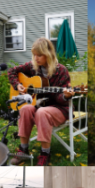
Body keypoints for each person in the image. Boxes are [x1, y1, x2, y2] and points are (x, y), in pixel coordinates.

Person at [7, 38, 77, 166]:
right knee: (25, 109)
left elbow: (60, 100)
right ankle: (23, 149)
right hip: (39, 106)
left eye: (40, 55)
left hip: (59, 109)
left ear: (48, 54)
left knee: (42, 112)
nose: (36, 58)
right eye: (34, 54)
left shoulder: (61, 70)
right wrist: (17, 85)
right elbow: (11, 71)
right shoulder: (33, 67)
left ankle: (45, 153)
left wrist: (66, 96)